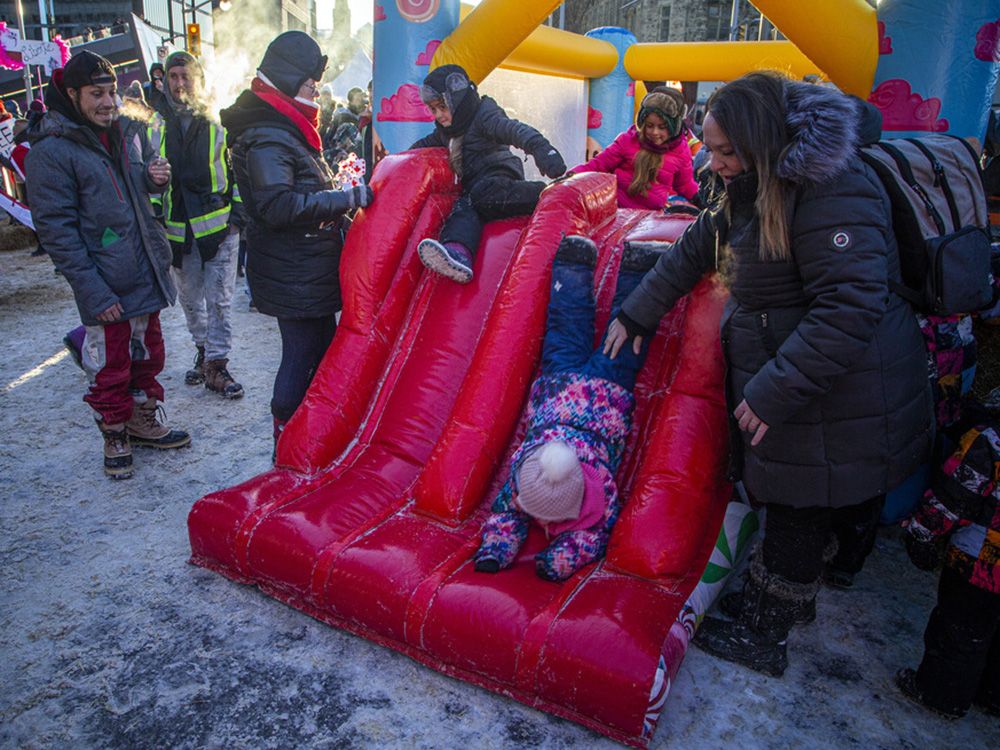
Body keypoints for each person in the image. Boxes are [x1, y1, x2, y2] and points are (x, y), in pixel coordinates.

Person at [604, 72, 933, 677]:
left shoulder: (831, 184)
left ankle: (766, 631)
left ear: (764, 139)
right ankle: (814, 580)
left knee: (796, 503)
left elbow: (849, 304)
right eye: (709, 147)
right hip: (809, 370)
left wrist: (774, 389)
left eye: (727, 150)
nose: (714, 162)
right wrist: (639, 309)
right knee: (817, 493)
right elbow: (701, 242)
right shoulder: (752, 181)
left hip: (838, 378)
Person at [25, 51, 190, 480]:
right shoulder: (52, 152)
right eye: (97, 93)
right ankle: (114, 429)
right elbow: (57, 232)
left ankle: (140, 419)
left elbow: (123, 193)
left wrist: (153, 178)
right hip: (106, 284)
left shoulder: (119, 132)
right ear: (72, 93)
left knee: (148, 354)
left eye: (112, 92)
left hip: (142, 269)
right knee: (110, 365)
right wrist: (93, 292)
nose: (108, 101)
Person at [221, 31, 374, 452]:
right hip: (293, 269)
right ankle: (287, 441)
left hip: (303, 266)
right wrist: (345, 198)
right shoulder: (269, 133)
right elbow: (278, 204)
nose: (317, 93)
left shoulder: (280, 125)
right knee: (302, 355)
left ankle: (306, 437)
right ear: (288, 82)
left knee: (318, 351)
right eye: (310, 85)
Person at [474, 235, 654, 581]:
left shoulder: (597, 492)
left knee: (599, 334)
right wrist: (493, 552)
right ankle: (595, 265)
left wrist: (551, 561)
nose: (545, 524)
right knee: (574, 331)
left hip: (599, 393)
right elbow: (511, 514)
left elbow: (590, 537)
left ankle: (616, 267)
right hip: (587, 392)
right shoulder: (527, 475)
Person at [409, 64, 566, 284]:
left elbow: (515, 130)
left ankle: (545, 193)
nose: (439, 115)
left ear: (458, 100)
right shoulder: (447, 131)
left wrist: (542, 150)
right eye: (433, 110)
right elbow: (424, 146)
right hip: (475, 188)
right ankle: (457, 253)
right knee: (464, 206)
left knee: (482, 195)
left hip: (499, 174)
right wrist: (400, 160)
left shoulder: (484, 116)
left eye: (442, 107)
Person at [151, 50, 245, 399]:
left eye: (185, 76)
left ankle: (218, 366)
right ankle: (204, 352)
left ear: (198, 79)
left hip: (220, 227)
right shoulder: (155, 123)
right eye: (173, 77)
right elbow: (146, 175)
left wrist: (237, 217)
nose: (179, 84)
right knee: (190, 301)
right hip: (178, 231)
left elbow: (240, 170)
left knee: (219, 300)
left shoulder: (220, 118)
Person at [897, 423, 1000, 718]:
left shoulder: (989, 442)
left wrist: (922, 531)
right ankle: (992, 693)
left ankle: (941, 694)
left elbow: (953, 497)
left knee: (960, 629)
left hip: (980, 563)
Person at [569, 89, 699, 209]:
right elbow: (598, 164)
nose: (654, 132)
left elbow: (685, 185)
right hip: (617, 210)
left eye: (662, 127)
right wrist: (571, 176)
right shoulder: (628, 141)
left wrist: (702, 200)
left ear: (674, 127)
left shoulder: (681, 151)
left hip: (649, 219)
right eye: (649, 126)